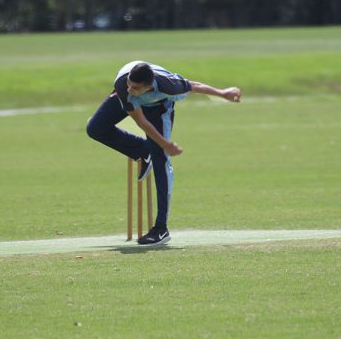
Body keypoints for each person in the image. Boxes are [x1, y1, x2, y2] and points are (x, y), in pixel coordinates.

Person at [86, 61, 241, 245]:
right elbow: (141, 121)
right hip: (138, 109)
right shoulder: (124, 86)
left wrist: (222, 93)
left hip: (159, 107)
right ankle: (142, 151)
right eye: (129, 83)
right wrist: (164, 144)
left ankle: (161, 229)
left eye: (135, 87)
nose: (130, 88)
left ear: (149, 86)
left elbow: (194, 86)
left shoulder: (170, 86)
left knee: (161, 161)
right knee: (95, 128)